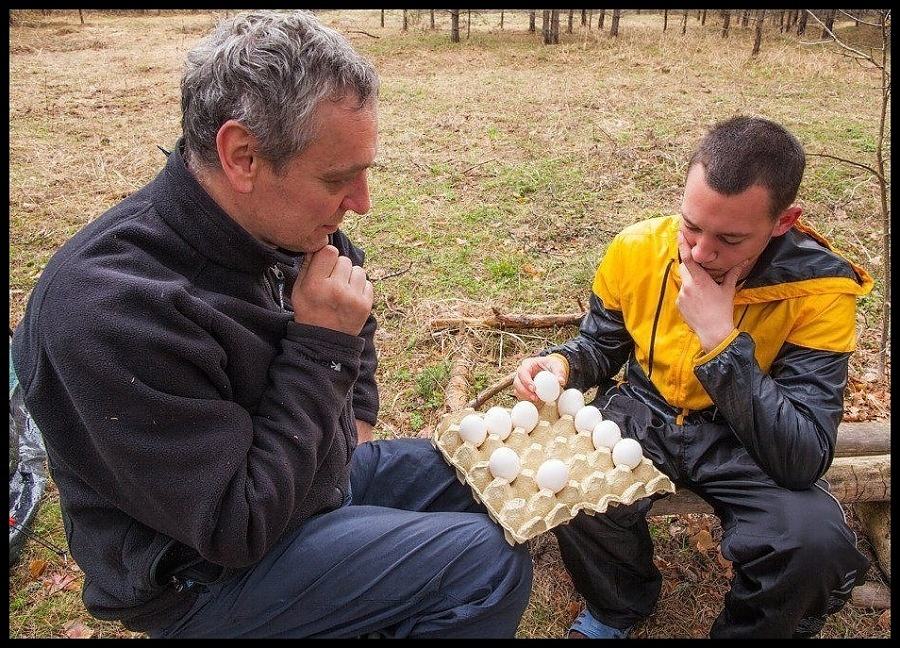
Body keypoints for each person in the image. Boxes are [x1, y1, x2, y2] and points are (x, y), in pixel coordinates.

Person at [11, 11, 532, 639]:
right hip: (197, 572)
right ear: (242, 155)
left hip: (298, 473)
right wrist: (323, 350)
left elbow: (350, 304)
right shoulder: (111, 311)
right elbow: (238, 526)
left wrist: (350, 420)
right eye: (339, 178)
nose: (361, 202)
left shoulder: (279, 222)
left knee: (482, 480)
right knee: (486, 565)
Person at [513, 116, 873, 639]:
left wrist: (720, 341)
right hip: (647, 408)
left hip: (745, 434)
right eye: (691, 227)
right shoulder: (637, 250)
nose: (701, 254)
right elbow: (601, 344)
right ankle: (620, 605)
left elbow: (801, 456)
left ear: (784, 222)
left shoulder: (820, 292)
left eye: (730, 238)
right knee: (566, 478)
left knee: (813, 543)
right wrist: (563, 364)